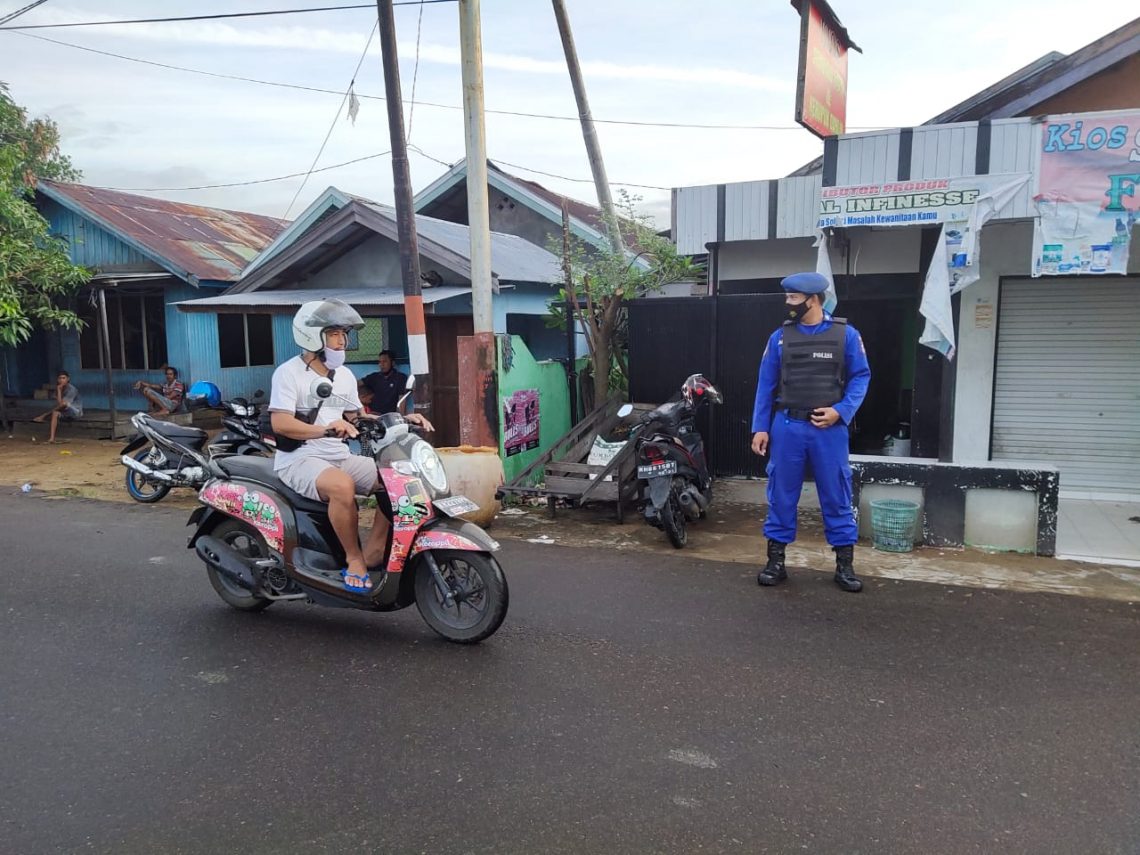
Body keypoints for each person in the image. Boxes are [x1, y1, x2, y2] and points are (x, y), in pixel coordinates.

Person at [268, 300, 432, 593]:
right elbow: (280, 423)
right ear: (312, 336)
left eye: (344, 334)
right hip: (299, 458)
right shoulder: (288, 373)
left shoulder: (342, 375)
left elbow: (357, 417)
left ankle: (374, 550)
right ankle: (354, 558)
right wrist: (324, 430)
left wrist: (401, 419)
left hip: (338, 455)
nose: (342, 341)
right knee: (342, 486)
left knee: (396, 477)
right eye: (334, 334)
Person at [750, 272, 871, 593]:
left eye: (793, 298)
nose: (787, 303)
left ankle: (844, 566)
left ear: (813, 300)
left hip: (828, 430)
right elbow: (765, 384)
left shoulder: (846, 335)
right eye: (787, 297)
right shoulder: (779, 337)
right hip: (787, 426)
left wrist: (840, 411)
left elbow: (861, 376)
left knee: (836, 494)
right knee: (781, 493)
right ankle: (775, 562)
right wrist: (760, 427)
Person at [32, 371, 83, 443]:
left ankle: (44, 416)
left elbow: (62, 404)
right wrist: (59, 390)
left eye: (64, 378)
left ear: (68, 379)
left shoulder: (72, 389)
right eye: (60, 378)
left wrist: (59, 390)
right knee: (55, 413)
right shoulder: (58, 388)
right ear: (57, 379)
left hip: (75, 412)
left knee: (63, 404)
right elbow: (59, 404)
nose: (62, 380)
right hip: (65, 411)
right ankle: (52, 438)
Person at [360, 350, 408, 416]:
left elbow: (402, 400)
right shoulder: (374, 377)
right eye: (379, 362)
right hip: (372, 415)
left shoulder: (400, 378)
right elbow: (357, 383)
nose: (381, 365)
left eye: (385, 361)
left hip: (389, 416)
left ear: (393, 363)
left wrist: (400, 417)